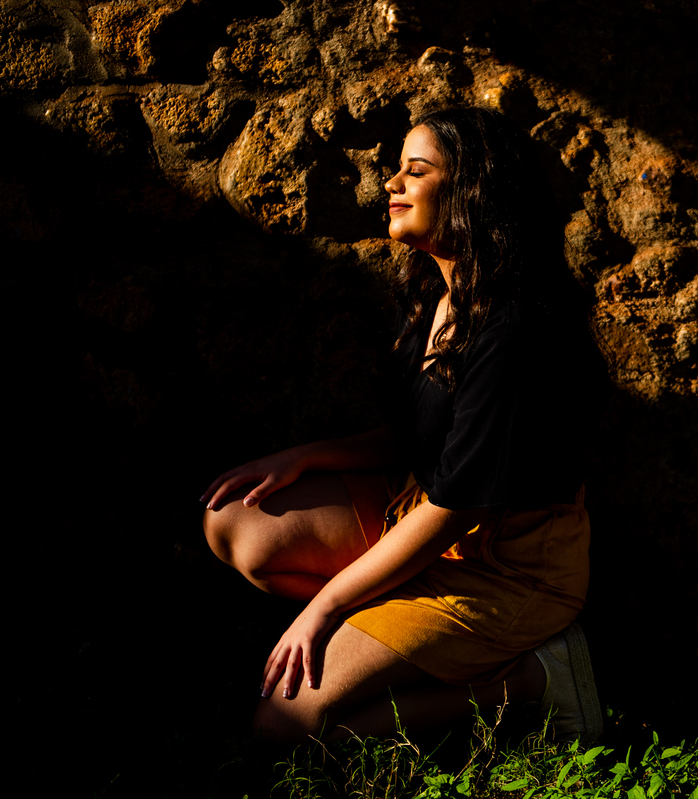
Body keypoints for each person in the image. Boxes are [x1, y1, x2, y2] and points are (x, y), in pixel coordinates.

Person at [200, 107, 601, 745]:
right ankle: (391, 613)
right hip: (420, 514)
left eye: (415, 171)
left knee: (283, 728)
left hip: (505, 564)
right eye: (398, 170)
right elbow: (423, 440)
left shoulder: (515, 328)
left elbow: (454, 504)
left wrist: (325, 609)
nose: (390, 184)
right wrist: (305, 457)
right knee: (235, 525)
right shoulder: (439, 295)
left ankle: (531, 680)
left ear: (471, 191)